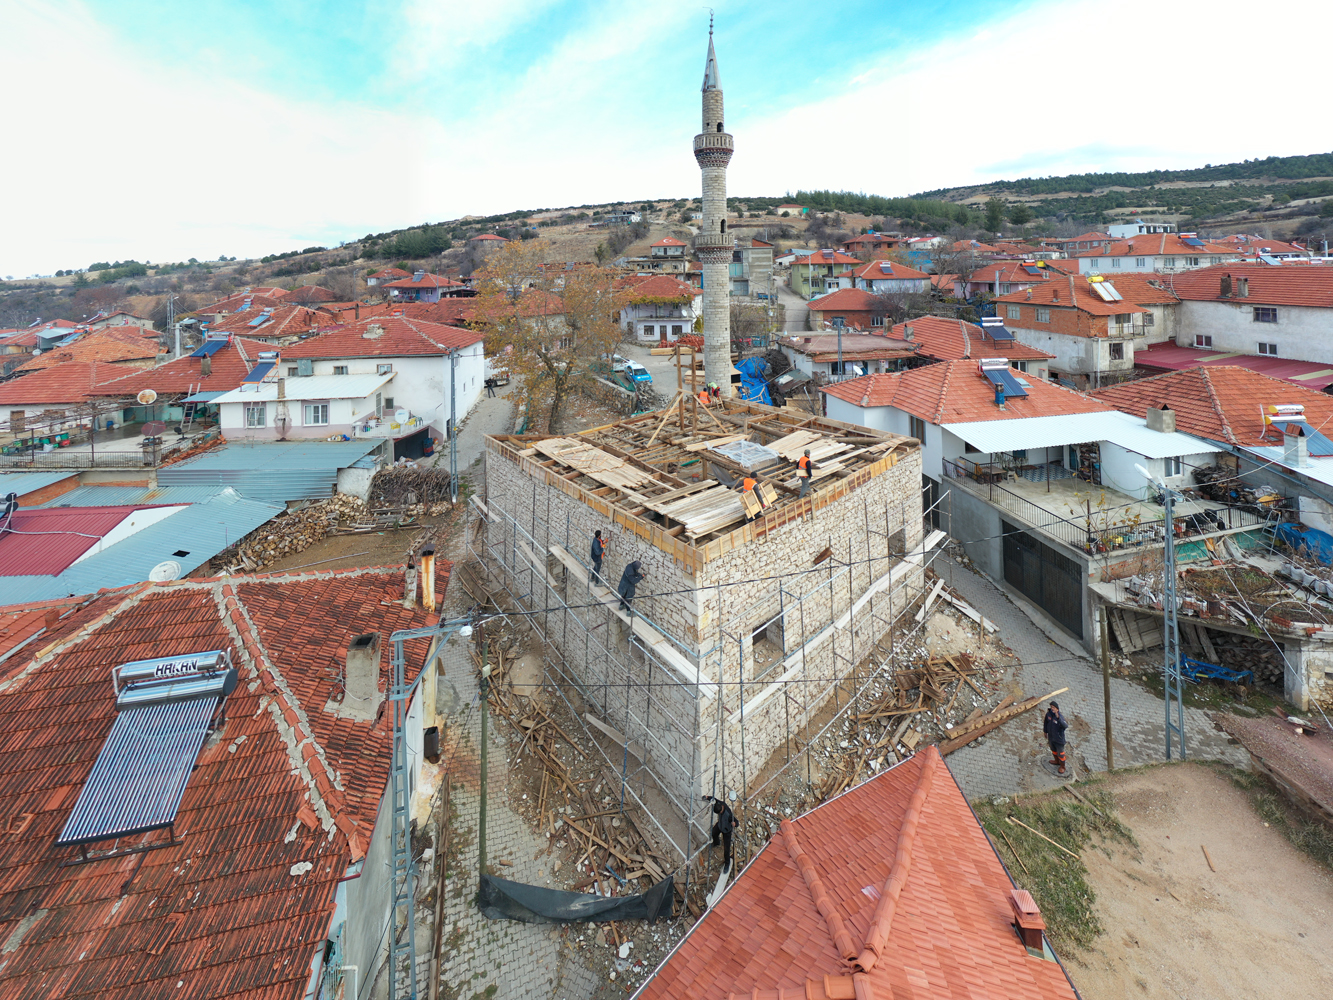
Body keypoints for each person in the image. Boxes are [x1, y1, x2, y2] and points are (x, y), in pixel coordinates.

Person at [703, 794, 735, 872]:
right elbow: (714, 799)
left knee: (726, 849)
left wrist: (735, 824)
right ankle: (717, 843)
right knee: (714, 833)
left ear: (721, 810)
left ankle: (727, 864)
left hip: (727, 830)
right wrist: (707, 797)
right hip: (720, 825)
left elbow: (736, 821)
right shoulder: (720, 804)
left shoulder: (728, 814)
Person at [1042, 700, 1068, 775]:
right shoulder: (1048, 714)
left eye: (1054, 707)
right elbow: (1045, 723)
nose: (1052, 708)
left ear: (1057, 709)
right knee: (1053, 750)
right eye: (1051, 707)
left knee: (1061, 754)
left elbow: (1065, 726)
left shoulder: (1060, 717)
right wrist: (1045, 732)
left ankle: (1062, 766)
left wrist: (1058, 718)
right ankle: (1056, 761)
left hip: (1059, 740)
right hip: (1051, 738)